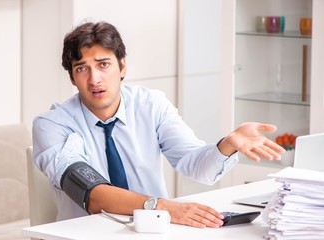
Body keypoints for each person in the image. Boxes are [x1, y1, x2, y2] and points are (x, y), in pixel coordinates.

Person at [32, 21, 284, 229]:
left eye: (103, 64)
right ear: (73, 78)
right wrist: (165, 207)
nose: (94, 78)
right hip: (86, 234)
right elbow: (92, 193)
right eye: (82, 69)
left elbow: (197, 167)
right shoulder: (52, 125)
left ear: (122, 66)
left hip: (153, 232)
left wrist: (228, 144)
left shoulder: (151, 105)